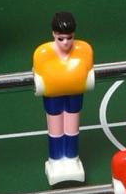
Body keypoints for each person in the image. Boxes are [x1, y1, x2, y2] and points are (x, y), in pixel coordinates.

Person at [32, 11, 96, 183]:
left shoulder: (84, 50)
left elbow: (89, 73)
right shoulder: (42, 53)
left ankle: (72, 157)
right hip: (52, 97)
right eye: (61, 38)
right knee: (55, 130)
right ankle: (55, 159)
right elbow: (38, 77)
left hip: (75, 95)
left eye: (69, 38)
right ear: (53, 34)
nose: (66, 42)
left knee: (72, 128)